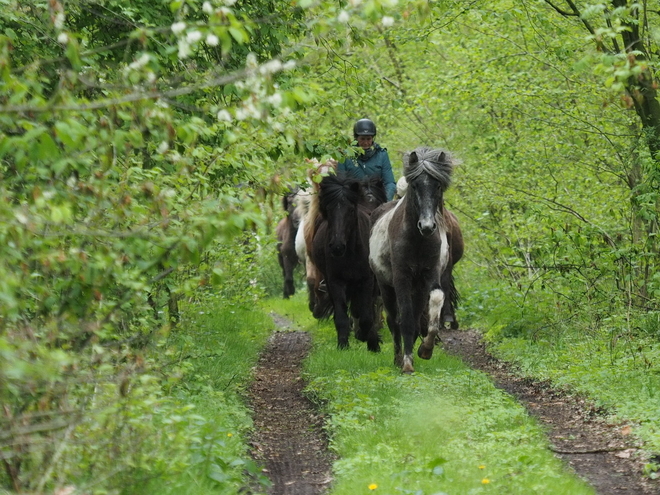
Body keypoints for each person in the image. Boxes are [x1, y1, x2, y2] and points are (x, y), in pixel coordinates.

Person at [337, 118, 396, 201]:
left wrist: (386, 201)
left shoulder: (382, 155)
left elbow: (389, 183)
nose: (365, 143)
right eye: (362, 139)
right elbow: (340, 183)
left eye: (368, 139)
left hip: (377, 200)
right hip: (353, 200)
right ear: (356, 138)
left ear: (372, 139)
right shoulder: (345, 156)